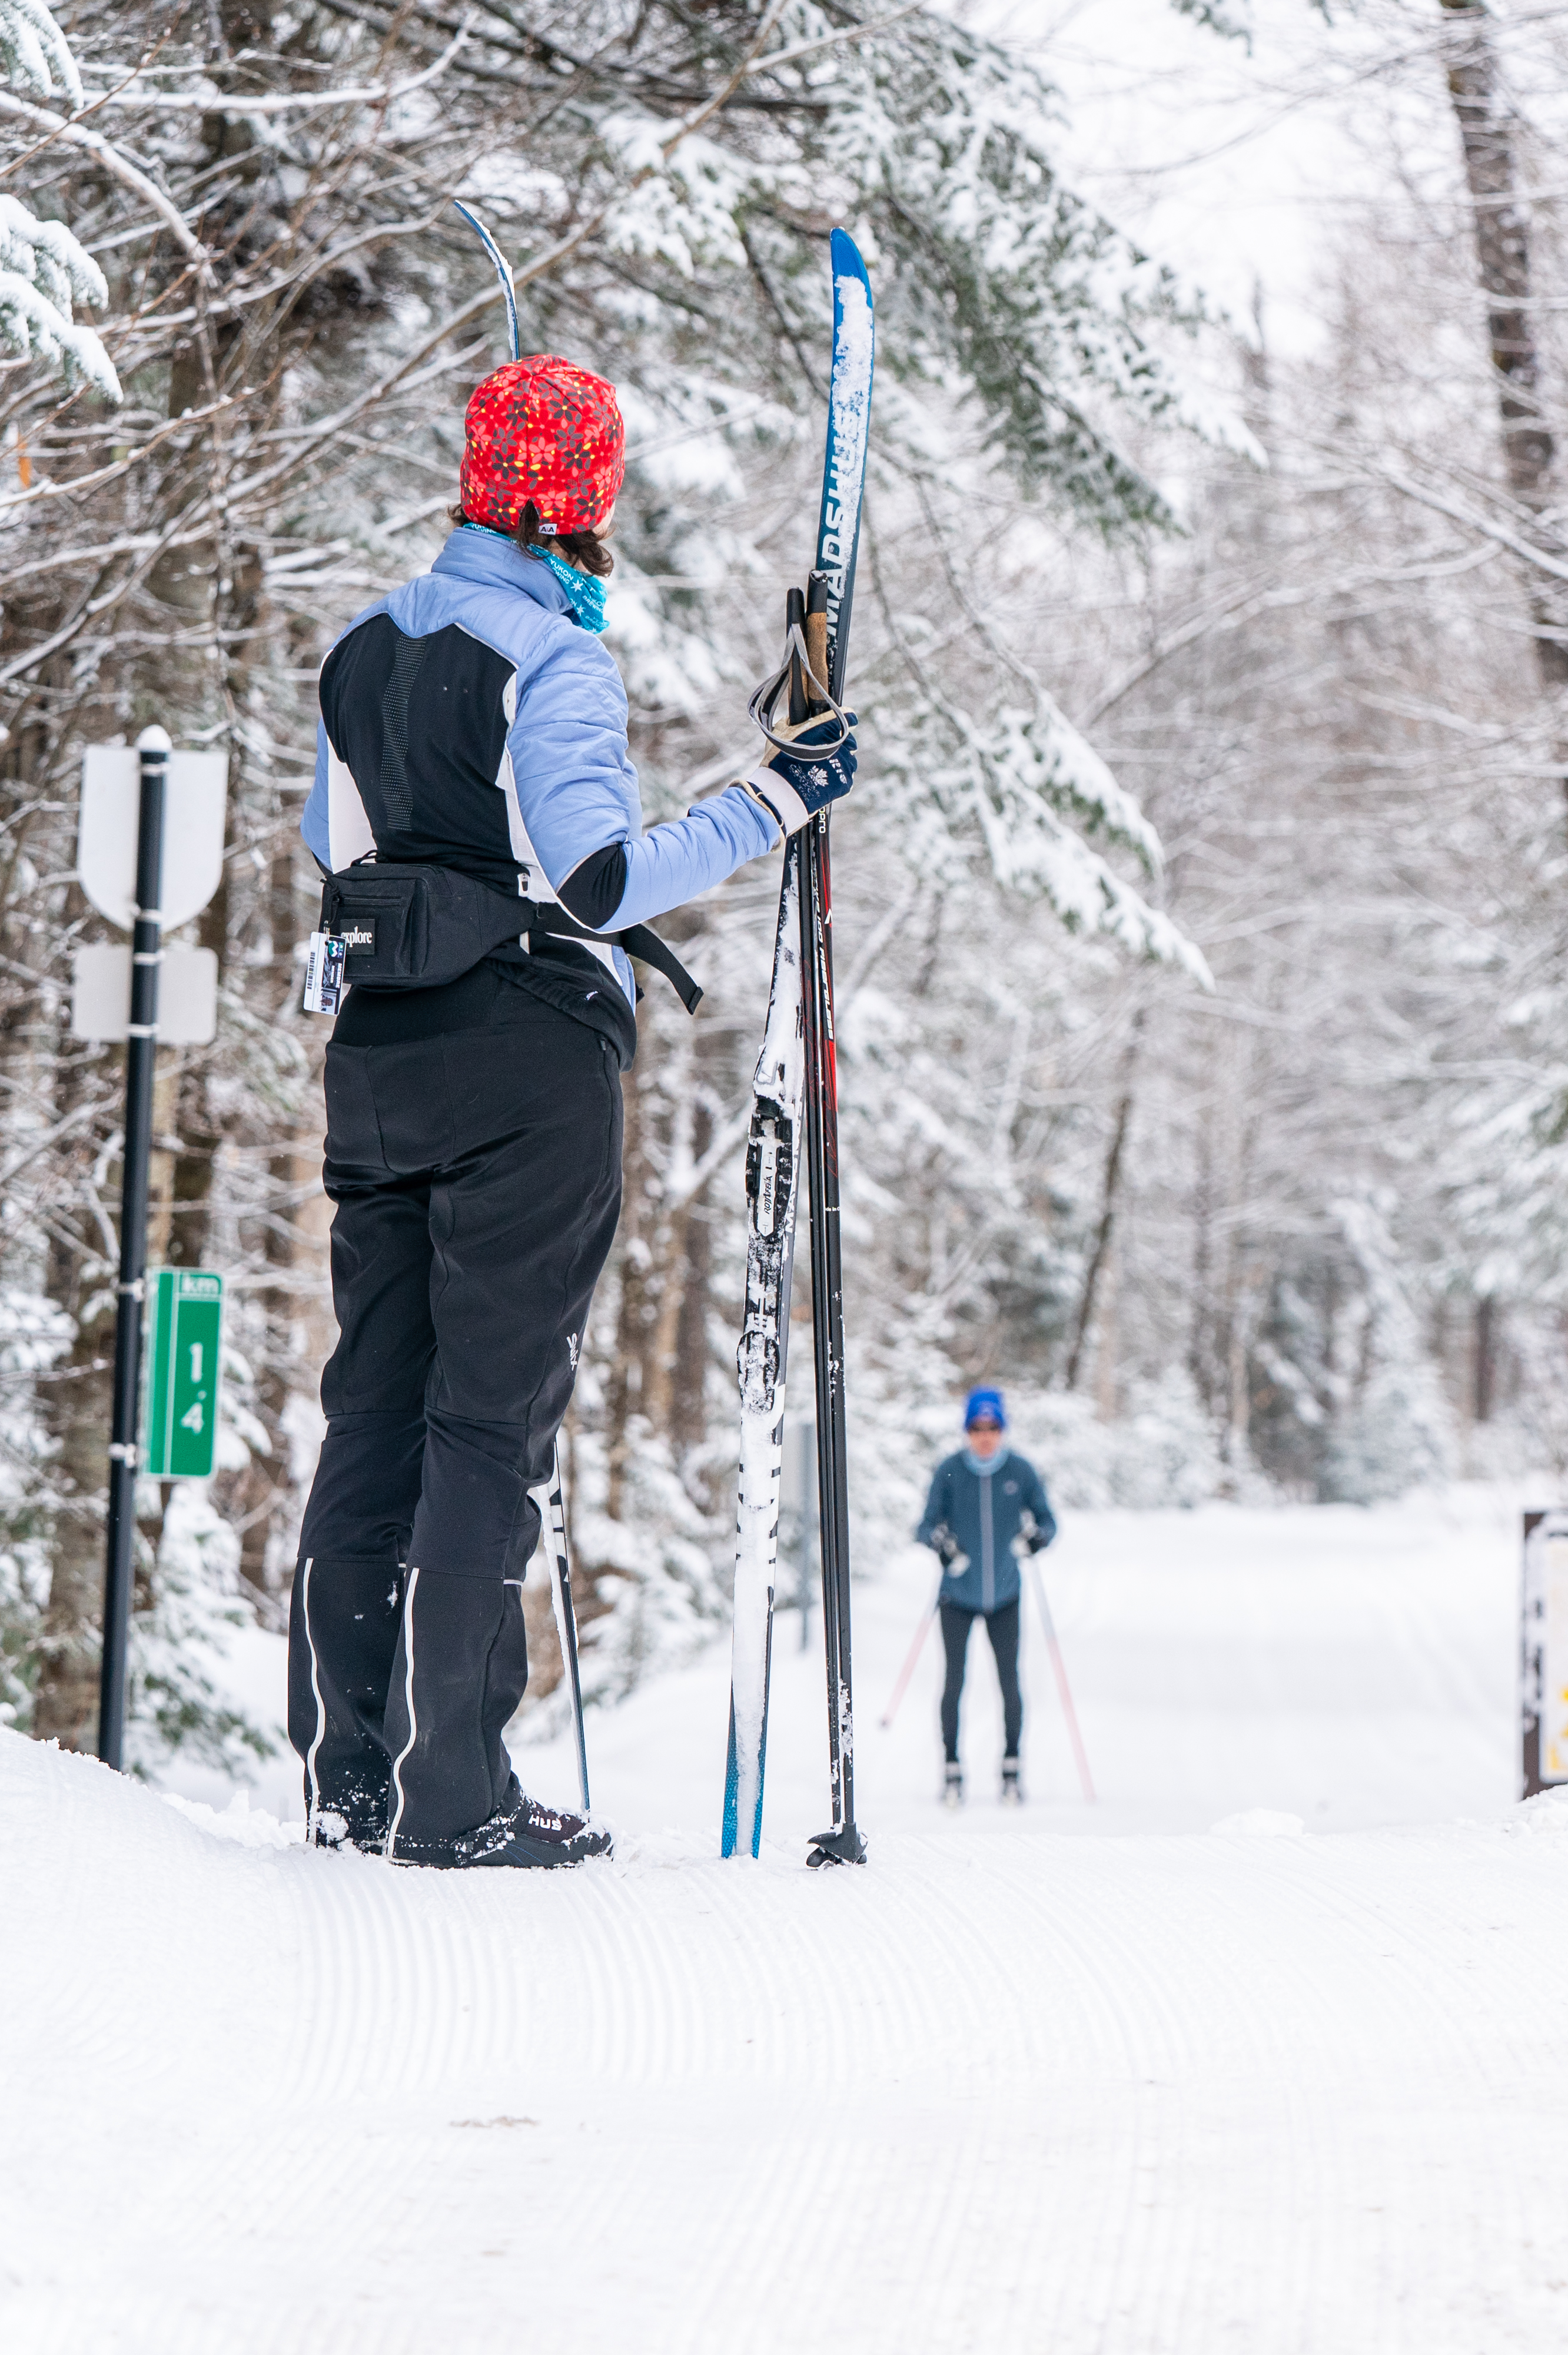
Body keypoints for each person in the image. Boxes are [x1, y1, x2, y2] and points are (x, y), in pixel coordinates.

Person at [285, 352, 859, 1869]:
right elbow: (600, 876)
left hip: (379, 1049)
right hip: (525, 1055)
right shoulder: (551, 656)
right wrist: (777, 799)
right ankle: (456, 1794)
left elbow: (329, 841)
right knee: (489, 1415)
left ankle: (349, 1776)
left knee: (374, 1407)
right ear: (585, 498)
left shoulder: (360, 647)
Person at [912, 1387, 1058, 1805]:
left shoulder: (1020, 1471)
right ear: (967, 1430)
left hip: (1006, 1597)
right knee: (954, 1681)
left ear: (1002, 1429)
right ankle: (952, 1769)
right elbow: (924, 1526)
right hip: (956, 1596)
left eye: (993, 1427)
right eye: (977, 1428)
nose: (985, 1436)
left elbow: (1047, 1520)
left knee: (1009, 1681)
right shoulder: (950, 1471)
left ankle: (1012, 1768)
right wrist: (941, 1544)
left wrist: (1037, 1539)